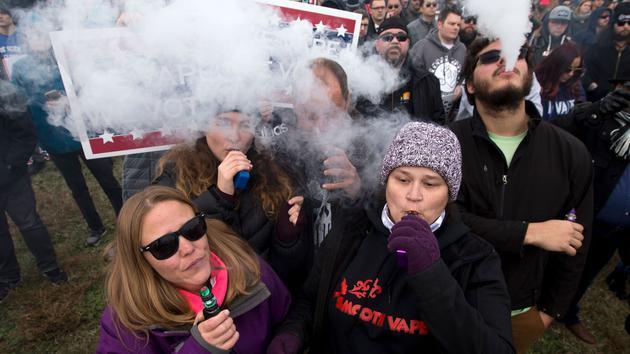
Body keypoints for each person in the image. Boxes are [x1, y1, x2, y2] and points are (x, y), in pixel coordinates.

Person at [267, 121, 514, 354]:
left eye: (430, 184)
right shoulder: (354, 228)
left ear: (449, 194)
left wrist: (431, 273)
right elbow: (311, 299)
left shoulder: (474, 257)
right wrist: (293, 333)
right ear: (386, 183)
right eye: (403, 179)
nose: (413, 195)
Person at [450, 37, 593, 353]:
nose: (505, 61)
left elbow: (576, 243)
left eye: (517, 53)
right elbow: (441, 221)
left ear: (530, 73)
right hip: (446, 295)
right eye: (490, 57)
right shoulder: (446, 143)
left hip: (519, 312)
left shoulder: (570, 153)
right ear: (470, 85)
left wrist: (547, 314)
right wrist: (528, 233)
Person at [96, 185, 291, 353]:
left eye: (192, 228)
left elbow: (287, 318)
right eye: (164, 246)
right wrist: (200, 349)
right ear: (140, 260)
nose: (188, 248)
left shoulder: (245, 264)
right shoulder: (125, 322)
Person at [154, 109, 307, 292]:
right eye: (224, 123)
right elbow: (169, 256)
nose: (234, 137)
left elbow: (288, 277)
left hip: (262, 301)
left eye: (245, 125)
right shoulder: (176, 175)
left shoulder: (273, 173)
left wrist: (287, 240)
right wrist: (219, 197)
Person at [11, 30, 123, 247]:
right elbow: (20, 100)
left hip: (83, 132)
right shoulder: (21, 68)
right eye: (34, 36)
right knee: (77, 187)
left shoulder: (67, 57)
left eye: (42, 35)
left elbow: (88, 85)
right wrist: (41, 104)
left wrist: (71, 99)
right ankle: (95, 226)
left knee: (107, 179)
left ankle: (125, 218)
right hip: (52, 135)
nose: (39, 41)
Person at [552, 78, 630, 344]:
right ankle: (539, 305)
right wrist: (598, 109)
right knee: (560, 263)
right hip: (585, 213)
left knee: (589, 270)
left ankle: (567, 311)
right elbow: (558, 130)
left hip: (617, 227)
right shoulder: (605, 118)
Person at [0, 80, 67, 303]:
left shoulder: (6, 92)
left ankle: (50, 269)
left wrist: (11, 164)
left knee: (29, 223)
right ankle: (9, 278)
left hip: (10, 176)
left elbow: (25, 132)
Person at [355, 17, 444, 122]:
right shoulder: (361, 82)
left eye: (401, 37)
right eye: (388, 37)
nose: (395, 41)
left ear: (408, 43)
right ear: (377, 45)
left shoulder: (427, 81)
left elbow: (439, 123)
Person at [410, 6, 465, 120]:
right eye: (451, 24)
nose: (456, 28)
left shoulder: (462, 49)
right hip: (425, 115)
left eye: (458, 25)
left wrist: (460, 87)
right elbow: (412, 80)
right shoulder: (421, 47)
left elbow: (464, 75)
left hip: (451, 117)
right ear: (440, 24)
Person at [582, 2, 629, 102]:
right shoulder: (597, 48)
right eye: (621, 23)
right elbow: (584, 73)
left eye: (629, 23)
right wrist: (594, 88)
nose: (626, 27)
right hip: (597, 103)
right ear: (613, 24)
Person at [535, 42, 586, 120]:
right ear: (556, 65)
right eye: (568, 69)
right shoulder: (537, 84)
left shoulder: (575, 85)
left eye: (576, 70)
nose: (571, 74)